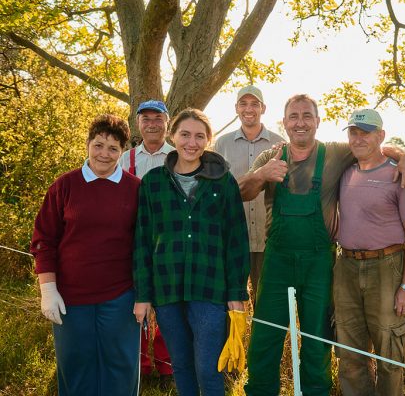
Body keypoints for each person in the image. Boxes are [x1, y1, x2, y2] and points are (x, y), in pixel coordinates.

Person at [238, 94, 405, 396]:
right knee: (266, 334)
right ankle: (260, 391)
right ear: (284, 123)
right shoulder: (270, 157)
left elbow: (373, 146)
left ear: (318, 122)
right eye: (293, 116)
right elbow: (241, 192)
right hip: (277, 259)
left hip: (319, 261)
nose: (300, 122)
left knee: (317, 337)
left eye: (307, 116)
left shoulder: (335, 153)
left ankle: (316, 391)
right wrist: (261, 175)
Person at [133, 108, 250, 396]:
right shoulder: (153, 183)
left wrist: (236, 293)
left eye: (200, 136)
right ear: (173, 136)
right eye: (185, 134)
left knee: (208, 368)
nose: (191, 142)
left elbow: (236, 239)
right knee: (181, 365)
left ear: (208, 140)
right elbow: (142, 242)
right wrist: (143, 295)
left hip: (209, 289)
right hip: (167, 288)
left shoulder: (222, 182)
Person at [31, 114, 141, 396]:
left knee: (120, 368)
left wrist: (145, 294)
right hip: (70, 297)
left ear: (123, 151)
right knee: (76, 366)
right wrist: (48, 289)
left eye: (113, 148)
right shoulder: (64, 186)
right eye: (99, 145)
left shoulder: (135, 189)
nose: (104, 154)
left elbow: (144, 244)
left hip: (120, 296)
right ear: (88, 144)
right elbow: (44, 239)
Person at [334, 109, 405, 396]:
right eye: (353, 132)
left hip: (387, 267)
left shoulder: (399, 174)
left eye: (366, 133)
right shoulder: (344, 170)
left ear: (380, 135)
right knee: (349, 353)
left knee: (389, 353)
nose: (358, 138)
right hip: (346, 267)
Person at [118, 100, 174, 382]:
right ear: (137, 123)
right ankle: (142, 366)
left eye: (157, 118)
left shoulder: (179, 155)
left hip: (169, 243)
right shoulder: (124, 159)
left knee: (168, 305)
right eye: (146, 118)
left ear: (167, 122)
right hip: (134, 242)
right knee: (137, 302)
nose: (152, 123)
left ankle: (166, 367)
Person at [213, 85, 285, 304]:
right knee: (231, 302)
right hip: (234, 236)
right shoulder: (222, 144)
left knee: (267, 302)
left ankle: (261, 339)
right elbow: (216, 190)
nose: (249, 109)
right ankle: (235, 339)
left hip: (268, 238)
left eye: (254, 104)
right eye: (243, 104)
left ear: (263, 108)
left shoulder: (279, 142)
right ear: (236, 108)